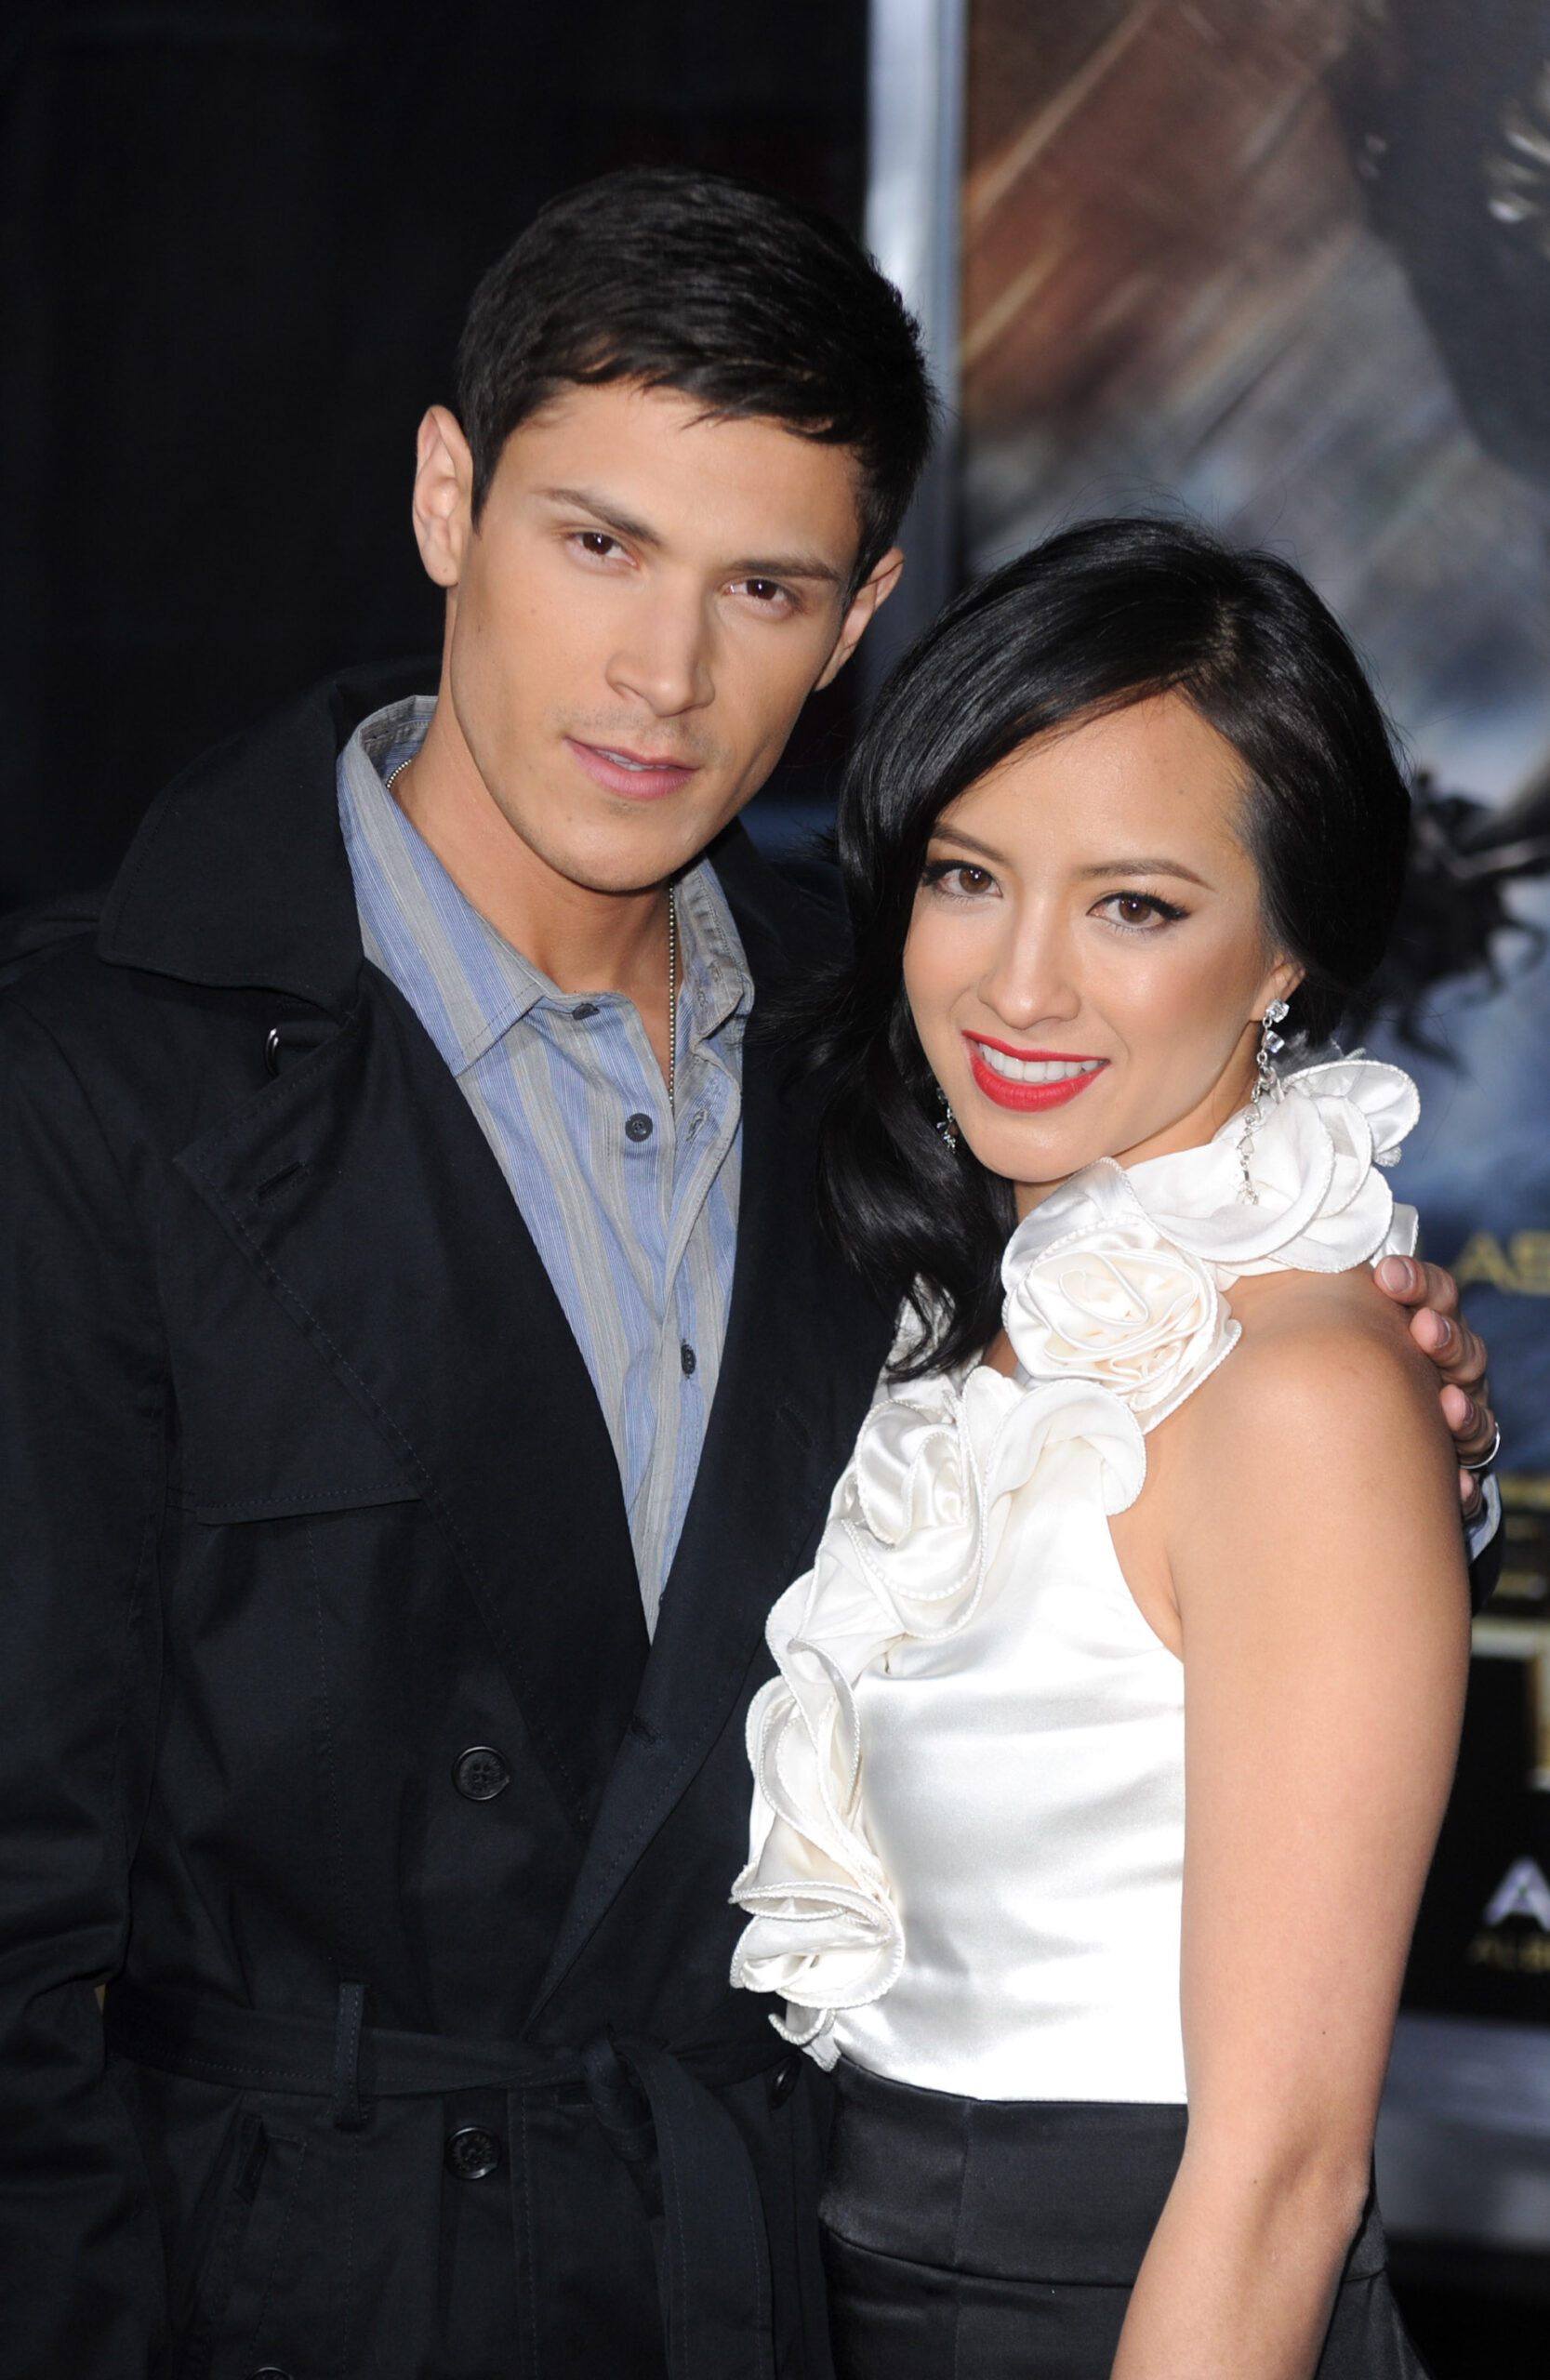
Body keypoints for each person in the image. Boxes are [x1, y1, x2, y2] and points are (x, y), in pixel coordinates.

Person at [0, 173, 1491, 2378]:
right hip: (286, 2290)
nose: (663, 672)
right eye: (596, 542)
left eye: (764, 583)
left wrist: (1386, 1440)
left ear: (864, 608)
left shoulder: (900, 1063)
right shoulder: (96, 1076)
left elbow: (1137, 1548)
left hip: (761, 2277)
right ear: (446, 496)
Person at [731, 519, 1485, 2379]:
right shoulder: (975, 1307)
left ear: (1287, 946)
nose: (1020, 983)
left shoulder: (1306, 1387)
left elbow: (1282, 2176)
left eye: (1135, 904)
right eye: (971, 877)